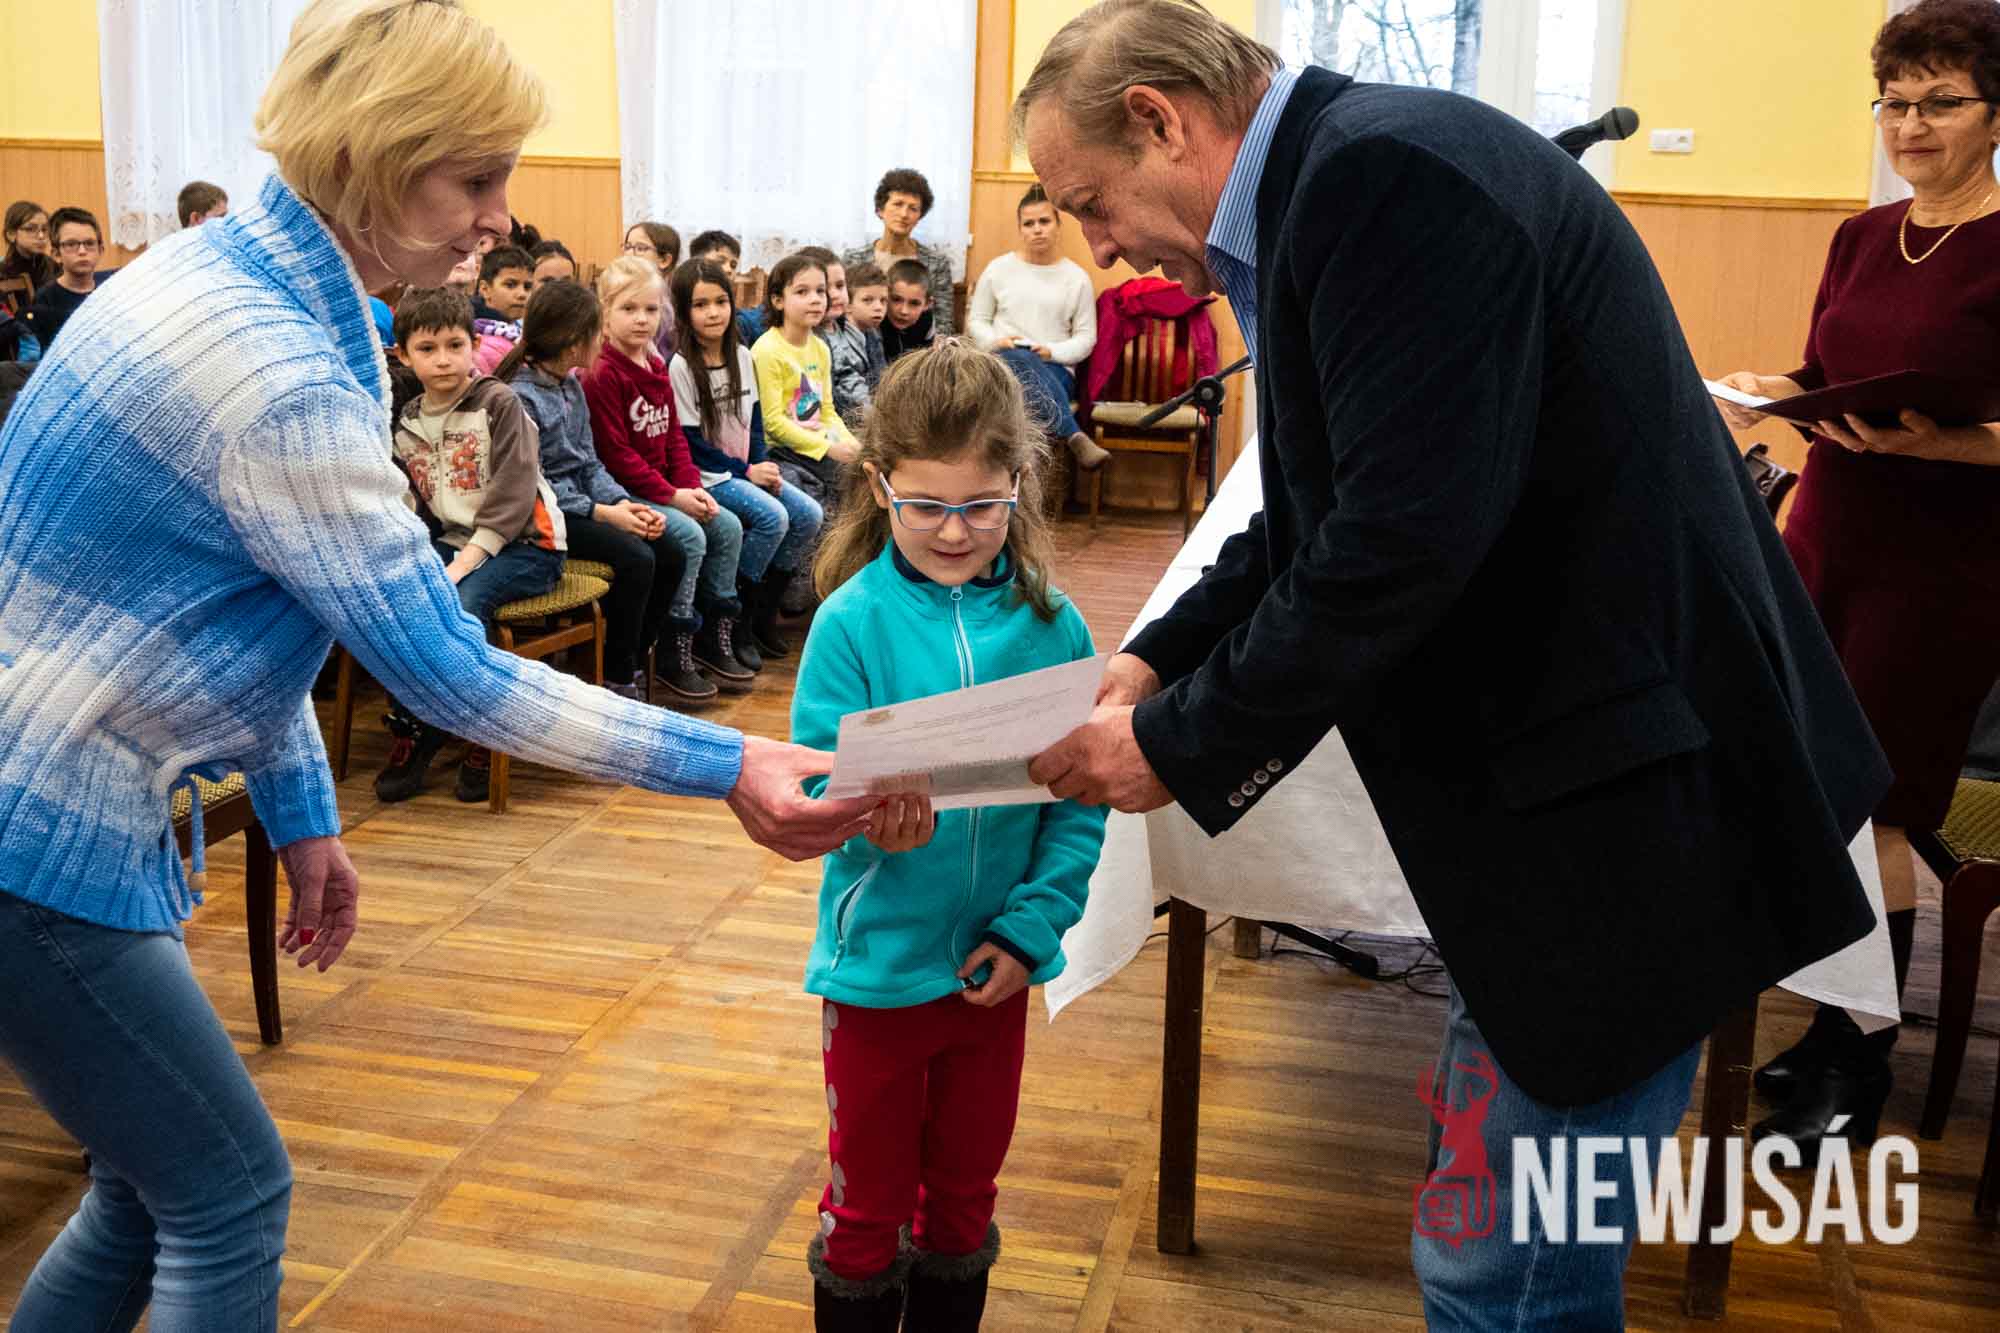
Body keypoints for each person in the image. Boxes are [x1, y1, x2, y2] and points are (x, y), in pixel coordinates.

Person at [1014, 2, 1889, 1326]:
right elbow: (1316, 507)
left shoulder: (1376, 182)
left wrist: (1177, 742)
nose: (1100, 245)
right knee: (1489, 1240)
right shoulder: (1350, 169)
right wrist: (1150, 665)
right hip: (1581, 790)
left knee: (1509, 1277)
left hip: (1618, 805)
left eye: (1091, 203)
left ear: (1159, 121)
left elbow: (1392, 544)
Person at [0, 4, 874, 1327]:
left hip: (48, 808)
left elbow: (237, 606)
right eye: (474, 179)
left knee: (147, 1190)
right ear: (371, 158)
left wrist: (302, 814)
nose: (499, 217)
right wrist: (730, 759)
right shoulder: (278, 371)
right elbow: (450, 675)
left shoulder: (220, 282)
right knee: (227, 1200)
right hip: (39, 838)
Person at [1712, 0, 2000, 1156]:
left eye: (1940, 102)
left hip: (1941, 563)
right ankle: (1831, 1019)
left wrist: (1945, 444)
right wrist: (1768, 390)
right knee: (1806, 779)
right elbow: (1824, 369)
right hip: (1827, 535)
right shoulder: (1859, 235)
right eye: (1893, 101)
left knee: (1877, 796)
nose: (1909, 124)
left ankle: (1858, 1064)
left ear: (1993, 114)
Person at [792, 339, 1105, 1329]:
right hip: (876, 976)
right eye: (925, 505)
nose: (955, 529)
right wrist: (866, 828)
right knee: (865, 1214)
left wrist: (1031, 930)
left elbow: (1078, 802)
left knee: (964, 1205)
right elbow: (815, 790)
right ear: (878, 485)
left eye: (981, 504)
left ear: (1020, 482)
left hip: (993, 974)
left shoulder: (1053, 624)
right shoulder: (850, 622)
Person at [380, 286, 567, 802]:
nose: (443, 359)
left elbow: (513, 495)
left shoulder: (499, 403)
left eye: (454, 345)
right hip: (454, 541)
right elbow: (414, 503)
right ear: (404, 356)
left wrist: (463, 563)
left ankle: (483, 729)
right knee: (402, 600)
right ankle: (420, 725)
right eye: (427, 348)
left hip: (528, 545)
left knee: (463, 604)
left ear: (474, 346)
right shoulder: (407, 421)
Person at [500, 277, 686, 702]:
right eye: (595, 331)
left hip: (583, 505)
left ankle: (633, 658)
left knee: (672, 551)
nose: (601, 339)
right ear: (571, 343)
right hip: (544, 515)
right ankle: (615, 678)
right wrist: (604, 513)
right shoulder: (520, 398)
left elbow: (589, 463)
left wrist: (622, 502)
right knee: (636, 558)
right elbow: (536, 486)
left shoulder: (570, 384)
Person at [585, 255, 755, 695]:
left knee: (727, 525)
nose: (642, 319)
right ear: (604, 312)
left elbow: (675, 437)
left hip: (665, 486)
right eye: (628, 309)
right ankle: (671, 644)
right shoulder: (602, 372)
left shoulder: (655, 362)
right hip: (627, 493)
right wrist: (673, 496)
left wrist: (691, 487)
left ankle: (710, 635)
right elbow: (617, 456)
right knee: (691, 536)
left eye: (651, 309)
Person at [669, 257, 823, 661]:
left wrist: (761, 465)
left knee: (808, 514)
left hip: (743, 470)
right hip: (709, 476)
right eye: (700, 304)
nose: (713, 312)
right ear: (683, 311)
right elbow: (691, 442)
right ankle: (732, 619)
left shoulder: (741, 354)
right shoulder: (681, 366)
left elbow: (753, 421)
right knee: (774, 518)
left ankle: (761, 616)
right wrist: (746, 470)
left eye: (720, 301)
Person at [968, 182, 1108, 470]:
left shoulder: (1076, 278)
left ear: (1058, 225)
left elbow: (1086, 338)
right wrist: (996, 342)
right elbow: (977, 320)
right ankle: (1074, 434)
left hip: (1054, 369)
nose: (1037, 229)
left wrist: (1051, 351)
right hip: (1001, 365)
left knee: (1022, 378)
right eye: (1029, 224)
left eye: (1044, 221)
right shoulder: (998, 269)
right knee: (1015, 358)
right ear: (1020, 229)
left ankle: (1013, 480)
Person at [752, 250, 858, 525]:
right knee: (829, 497)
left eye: (820, 291)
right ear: (778, 300)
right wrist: (827, 448)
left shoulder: (820, 348)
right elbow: (772, 423)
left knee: (863, 470)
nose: (815, 299)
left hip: (816, 440)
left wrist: (850, 444)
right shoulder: (767, 350)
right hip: (781, 449)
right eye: (802, 291)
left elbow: (827, 411)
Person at [842, 167, 957, 334]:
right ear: (880, 210)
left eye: (913, 208)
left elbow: (943, 323)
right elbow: (842, 315)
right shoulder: (853, 259)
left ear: (920, 216)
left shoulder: (936, 264)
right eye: (898, 204)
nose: (904, 214)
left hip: (917, 346)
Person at [25, 206, 112, 351]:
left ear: (100, 250)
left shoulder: (109, 290)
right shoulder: (45, 299)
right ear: (56, 254)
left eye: (89, 243)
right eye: (71, 244)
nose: (82, 251)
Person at [805, 246, 873, 420]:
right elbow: (832, 395)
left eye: (840, 286)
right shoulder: (812, 338)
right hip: (843, 417)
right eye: (824, 288)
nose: (835, 294)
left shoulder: (850, 328)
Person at [690, 228, 764, 342]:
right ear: (695, 262)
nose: (729, 269)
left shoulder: (740, 322)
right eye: (720, 261)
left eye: (733, 265)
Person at [623, 219, 682, 357]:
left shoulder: (662, 304)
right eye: (627, 247)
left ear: (664, 260)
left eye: (640, 248)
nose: (629, 254)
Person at [843, 260, 891, 395]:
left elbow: (882, 378)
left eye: (883, 300)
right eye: (868, 300)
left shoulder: (873, 333)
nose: (878, 307)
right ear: (847, 304)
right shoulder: (840, 342)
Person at [2, 200, 55, 313]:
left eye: (44, 229)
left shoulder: (55, 267)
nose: (41, 236)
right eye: (30, 229)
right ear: (11, 234)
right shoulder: (2, 274)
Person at [880, 258, 935, 362]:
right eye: (896, 299)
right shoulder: (875, 322)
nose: (904, 311)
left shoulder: (926, 320)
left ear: (927, 304)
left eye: (914, 303)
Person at [473, 243, 532, 327]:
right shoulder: (465, 329)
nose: (522, 294)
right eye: (510, 285)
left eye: (527, 287)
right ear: (485, 289)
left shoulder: (529, 329)